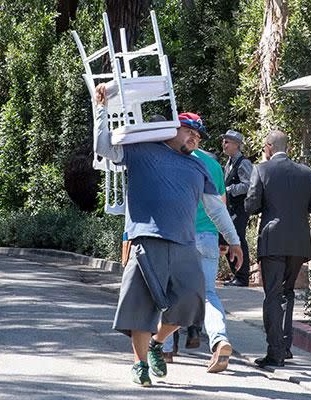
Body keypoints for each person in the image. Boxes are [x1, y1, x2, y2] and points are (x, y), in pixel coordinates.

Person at [93, 83, 243, 386]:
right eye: (189, 130)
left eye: (198, 135)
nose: (194, 137)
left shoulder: (197, 167)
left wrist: (236, 241)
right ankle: (140, 364)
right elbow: (102, 146)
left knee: (190, 302)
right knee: (140, 306)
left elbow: (215, 209)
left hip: (186, 245)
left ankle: (156, 343)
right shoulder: (141, 151)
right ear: (171, 129)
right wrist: (101, 108)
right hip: (146, 241)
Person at [244, 130, 311, 368]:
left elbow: (251, 205)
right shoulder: (306, 172)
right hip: (298, 242)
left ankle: (275, 351)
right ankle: (286, 346)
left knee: (272, 295)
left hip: (273, 241)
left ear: (269, 147)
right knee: (287, 293)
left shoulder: (261, 169)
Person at [162, 148, 234, 373]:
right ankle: (219, 340)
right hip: (208, 237)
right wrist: (227, 239)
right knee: (208, 294)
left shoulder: (172, 159)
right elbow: (220, 205)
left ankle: (164, 349)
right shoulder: (212, 165)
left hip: (178, 235)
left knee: (168, 291)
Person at [221, 130, 253, 287]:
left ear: (237, 145)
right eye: (224, 141)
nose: (224, 144)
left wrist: (230, 189)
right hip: (230, 208)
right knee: (227, 239)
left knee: (238, 239)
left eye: (227, 142)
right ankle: (237, 274)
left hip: (240, 209)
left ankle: (242, 277)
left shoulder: (243, 163)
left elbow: (249, 185)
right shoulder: (229, 162)